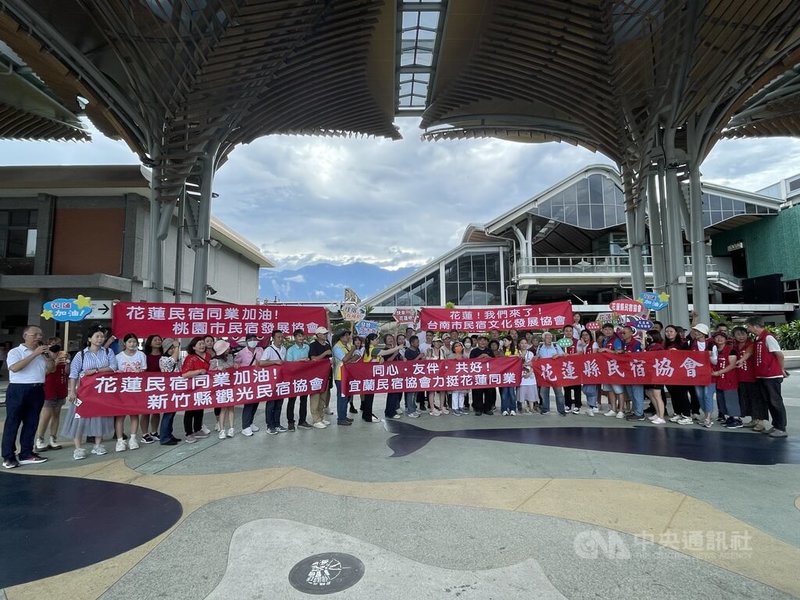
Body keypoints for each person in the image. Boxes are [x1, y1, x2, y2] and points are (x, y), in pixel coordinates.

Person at [2, 326, 55, 468]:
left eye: (40, 334)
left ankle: (26, 453)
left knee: (31, 423)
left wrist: (50, 359)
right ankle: (8, 456)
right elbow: (14, 368)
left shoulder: (42, 353)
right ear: (25, 335)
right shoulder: (16, 351)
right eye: (35, 334)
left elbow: (50, 370)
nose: (38, 337)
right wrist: (34, 354)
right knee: (13, 422)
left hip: (37, 389)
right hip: (19, 389)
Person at [62, 327, 116, 460]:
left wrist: (96, 370)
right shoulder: (81, 354)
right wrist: (72, 391)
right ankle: (78, 448)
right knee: (79, 417)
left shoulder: (108, 352)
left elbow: (113, 367)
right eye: (97, 336)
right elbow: (74, 374)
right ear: (89, 339)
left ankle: (98, 445)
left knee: (99, 416)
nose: (100, 339)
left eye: (102, 336)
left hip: (101, 390)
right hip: (84, 391)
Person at [745, 316, 788, 438]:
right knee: (769, 401)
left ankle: (781, 427)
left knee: (775, 401)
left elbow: (779, 354)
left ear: (754, 325)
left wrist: (781, 369)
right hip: (762, 375)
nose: (748, 329)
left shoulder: (768, 337)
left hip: (772, 375)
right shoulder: (758, 339)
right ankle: (776, 426)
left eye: (748, 326)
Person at [35, 337, 69, 452]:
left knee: (56, 414)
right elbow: (45, 372)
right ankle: (39, 440)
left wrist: (67, 361)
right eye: (52, 344)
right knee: (46, 415)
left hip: (61, 386)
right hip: (49, 388)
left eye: (58, 344)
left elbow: (67, 372)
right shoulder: (44, 356)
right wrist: (53, 361)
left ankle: (53, 439)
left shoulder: (63, 355)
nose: (55, 347)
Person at [114, 333, 147, 451]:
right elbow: (114, 372)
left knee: (134, 414)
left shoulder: (141, 355)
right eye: (130, 342)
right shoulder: (118, 357)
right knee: (120, 416)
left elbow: (144, 370)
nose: (132, 344)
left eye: (134, 342)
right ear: (125, 343)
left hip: (136, 388)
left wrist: (140, 372)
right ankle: (120, 441)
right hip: (122, 389)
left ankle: (133, 438)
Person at [731, 325, 765, 430]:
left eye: (743, 334)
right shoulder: (733, 346)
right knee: (746, 400)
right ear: (734, 336)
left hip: (752, 378)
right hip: (740, 378)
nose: (741, 337)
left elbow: (749, 353)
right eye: (738, 334)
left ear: (747, 334)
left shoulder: (752, 344)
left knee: (756, 400)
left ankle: (761, 422)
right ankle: (753, 420)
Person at [181, 336, 212, 443]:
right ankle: (189, 433)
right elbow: (185, 374)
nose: (202, 346)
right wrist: (199, 371)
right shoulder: (190, 358)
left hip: (203, 387)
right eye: (199, 344)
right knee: (190, 410)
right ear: (194, 347)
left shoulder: (208, 356)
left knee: (200, 408)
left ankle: (198, 429)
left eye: (203, 343)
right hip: (191, 388)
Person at [711, 331, 742, 429]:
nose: (719, 339)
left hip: (729, 379)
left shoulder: (731, 350)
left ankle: (737, 419)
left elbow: (732, 365)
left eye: (721, 337)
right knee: (722, 399)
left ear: (725, 339)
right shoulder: (715, 351)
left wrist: (719, 372)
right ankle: (729, 417)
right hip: (719, 380)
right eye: (717, 337)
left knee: (731, 399)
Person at [689, 323, 717, 428]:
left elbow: (715, 361)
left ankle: (708, 418)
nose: (696, 333)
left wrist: (708, 357)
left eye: (699, 331)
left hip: (709, 374)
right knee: (700, 396)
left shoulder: (711, 344)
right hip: (697, 374)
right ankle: (706, 415)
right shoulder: (692, 343)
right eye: (695, 331)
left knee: (707, 395)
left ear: (704, 333)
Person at [236, 333, 265, 435]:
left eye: (255, 339)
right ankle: (245, 426)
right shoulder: (242, 353)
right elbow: (236, 364)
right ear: (247, 341)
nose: (253, 341)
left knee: (256, 402)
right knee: (248, 403)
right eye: (251, 339)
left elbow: (264, 361)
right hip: (248, 381)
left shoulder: (260, 350)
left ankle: (251, 422)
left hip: (258, 379)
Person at [663, 325, 693, 425]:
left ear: (676, 333)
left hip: (681, 373)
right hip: (669, 373)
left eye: (671, 331)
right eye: (667, 331)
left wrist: (678, 353)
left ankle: (687, 415)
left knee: (682, 394)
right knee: (674, 394)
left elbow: (689, 356)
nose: (669, 333)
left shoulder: (683, 344)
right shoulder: (665, 344)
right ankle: (677, 413)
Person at [261, 331, 288, 434]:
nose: (280, 339)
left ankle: (277, 424)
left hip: (281, 380)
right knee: (271, 404)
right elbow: (262, 362)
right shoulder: (269, 350)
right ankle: (270, 425)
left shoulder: (284, 349)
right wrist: (274, 362)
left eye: (282, 337)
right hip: (271, 380)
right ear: (273, 338)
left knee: (279, 403)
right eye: (278, 337)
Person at [286, 329, 313, 430]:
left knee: (304, 400)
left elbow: (311, 360)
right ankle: (290, 422)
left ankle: (302, 421)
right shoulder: (291, 350)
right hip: (293, 378)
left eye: (302, 336)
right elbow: (288, 365)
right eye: (298, 336)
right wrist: (300, 360)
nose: (301, 338)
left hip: (305, 378)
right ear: (295, 338)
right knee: (291, 401)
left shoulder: (307, 347)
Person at [158, 338, 182, 445]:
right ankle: (164, 437)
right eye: (171, 348)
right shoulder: (163, 359)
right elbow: (172, 361)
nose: (173, 350)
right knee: (168, 414)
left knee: (172, 414)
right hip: (168, 389)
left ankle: (169, 434)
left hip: (175, 389)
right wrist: (177, 346)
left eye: (174, 348)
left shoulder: (175, 359)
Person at [535, 331, 566, 416]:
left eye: (550, 337)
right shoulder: (540, 347)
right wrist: (536, 357)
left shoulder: (556, 346)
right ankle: (545, 409)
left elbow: (564, 355)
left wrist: (558, 356)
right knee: (544, 393)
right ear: (543, 339)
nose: (549, 339)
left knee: (559, 393)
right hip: (545, 373)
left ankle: (561, 410)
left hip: (555, 374)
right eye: (547, 337)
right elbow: (537, 357)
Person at [598, 323, 625, 418]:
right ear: (602, 331)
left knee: (618, 390)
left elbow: (619, 352)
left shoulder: (616, 340)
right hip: (607, 368)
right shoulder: (605, 340)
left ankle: (621, 410)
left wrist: (605, 349)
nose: (608, 331)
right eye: (606, 329)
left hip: (615, 368)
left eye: (610, 329)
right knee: (609, 390)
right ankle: (613, 409)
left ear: (613, 330)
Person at [620, 325, 646, 422]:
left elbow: (638, 357)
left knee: (637, 393)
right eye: (622, 333)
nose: (622, 334)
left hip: (635, 372)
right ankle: (636, 411)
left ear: (631, 333)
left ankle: (640, 413)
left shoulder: (636, 343)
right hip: (626, 373)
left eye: (624, 333)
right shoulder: (623, 343)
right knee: (631, 393)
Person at [140, 334, 163, 443]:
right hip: (147, 385)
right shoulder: (144, 356)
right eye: (155, 340)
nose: (158, 341)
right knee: (145, 411)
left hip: (160, 385)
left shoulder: (164, 356)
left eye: (159, 340)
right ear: (149, 342)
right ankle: (145, 433)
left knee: (156, 410)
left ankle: (154, 432)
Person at [308, 327, 333, 428]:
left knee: (323, 396)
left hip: (327, 373)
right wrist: (325, 354)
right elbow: (313, 359)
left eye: (326, 333)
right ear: (318, 335)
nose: (325, 335)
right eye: (323, 334)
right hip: (316, 375)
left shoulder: (327, 344)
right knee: (315, 397)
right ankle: (316, 419)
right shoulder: (313, 345)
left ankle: (321, 417)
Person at [211, 339, 236, 439]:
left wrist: (236, 366)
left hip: (231, 386)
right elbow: (209, 372)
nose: (228, 349)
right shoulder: (215, 361)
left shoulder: (231, 357)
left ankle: (231, 428)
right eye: (226, 348)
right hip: (221, 388)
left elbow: (234, 368)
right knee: (223, 408)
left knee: (231, 407)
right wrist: (217, 368)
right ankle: (222, 430)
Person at [380, 333, 407, 420]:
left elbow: (400, 358)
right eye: (388, 339)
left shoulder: (393, 349)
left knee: (396, 393)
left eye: (391, 338)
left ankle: (392, 410)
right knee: (392, 393)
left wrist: (402, 358)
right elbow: (388, 361)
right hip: (390, 375)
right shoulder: (385, 350)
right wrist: (395, 353)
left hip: (397, 374)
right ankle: (390, 412)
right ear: (385, 341)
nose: (390, 340)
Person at [643, 330, 666, 424]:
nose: (648, 337)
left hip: (656, 374)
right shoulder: (649, 346)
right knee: (650, 394)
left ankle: (661, 417)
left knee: (657, 395)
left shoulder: (659, 347)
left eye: (649, 336)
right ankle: (657, 413)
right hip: (649, 373)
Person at [359, 333, 382, 423]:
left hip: (370, 376)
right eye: (376, 339)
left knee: (369, 396)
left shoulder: (368, 349)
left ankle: (367, 414)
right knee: (369, 397)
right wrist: (397, 348)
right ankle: (368, 416)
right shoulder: (372, 349)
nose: (377, 341)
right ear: (371, 341)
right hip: (369, 376)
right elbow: (385, 352)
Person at [469, 334, 495, 415]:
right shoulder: (474, 351)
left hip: (488, 375)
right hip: (477, 375)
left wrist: (488, 357)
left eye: (484, 340)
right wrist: (480, 357)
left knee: (489, 392)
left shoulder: (490, 351)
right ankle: (478, 408)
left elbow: (495, 362)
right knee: (477, 392)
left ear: (487, 342)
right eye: (480, 340)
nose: (482, 342)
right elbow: (470, 363)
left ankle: (487, 408)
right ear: (477, 342)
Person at [576, 330, 599, 415]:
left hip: (592, 368)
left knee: (591, 388)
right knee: (586, 388)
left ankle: (593, 406)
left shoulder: (594, 344)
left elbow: (593, 355)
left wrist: (585, 346)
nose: (585, 336)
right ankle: (591, 405)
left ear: (590, 335)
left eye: (586, 335)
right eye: (583, 335)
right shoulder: (581, 345)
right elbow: (580, 355)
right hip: (584, 369)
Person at [561, 324, 582, 414]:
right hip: (565, 367)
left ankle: (577, 405)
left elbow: (580, 353)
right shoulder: (561, 343)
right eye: (566, 331)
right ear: (564, 332)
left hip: (576, 367)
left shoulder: (578, 342)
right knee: (567, 387)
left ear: (573, 332)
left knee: (577, 387)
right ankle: (567, 405)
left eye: (570, 330)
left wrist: (569, 356)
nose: (568, 332)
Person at [426, 336, 449, 415]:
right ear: (433, 343)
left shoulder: (442, 351)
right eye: (436, 341)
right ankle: (432, 408)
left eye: (439, 342)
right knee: (432, 391)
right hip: (432, 374)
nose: (437, 343)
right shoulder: (430, 351)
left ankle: (442, 406)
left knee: (442, 390)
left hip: (442, 374)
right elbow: (427, 361)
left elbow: (446, 362)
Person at [517, 338, 538, 414]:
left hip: (530, 375)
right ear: (519, 344)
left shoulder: (531, 353)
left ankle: (531, 407)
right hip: (521, 376)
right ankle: (523, 407)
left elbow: (533, 364)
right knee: (522, 392)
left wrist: (530, 372)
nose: (524, 345)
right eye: (522, 343)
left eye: (525, 343)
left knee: (531, 392)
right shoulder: (517, 353)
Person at [449, 340, 469, 415]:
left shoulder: (465, 356)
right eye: (456, 346)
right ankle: (455, 408)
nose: (458, 347)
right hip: (454, 377)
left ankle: (461, 407)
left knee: (462, 393)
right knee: (455, 393)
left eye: (459, 346)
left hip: (463, 376)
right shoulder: (450, 356)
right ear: (453, 348)